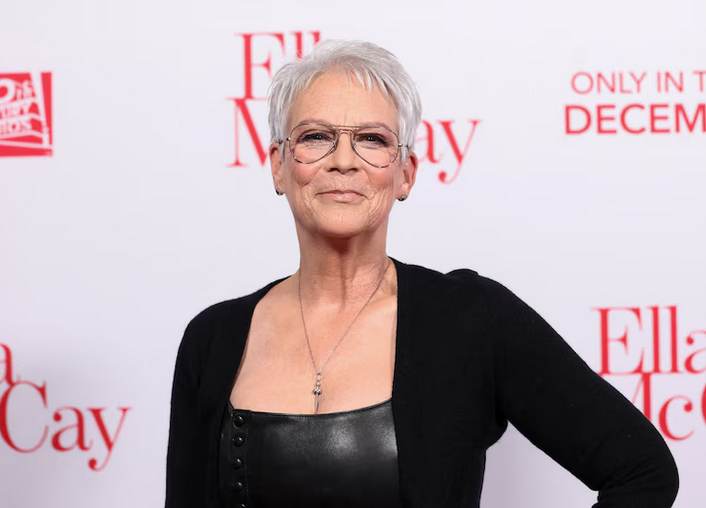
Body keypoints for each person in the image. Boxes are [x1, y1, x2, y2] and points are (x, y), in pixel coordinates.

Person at [165, 39, 679, 508]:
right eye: (316, 136)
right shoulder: (212, 339)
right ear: (279, 164)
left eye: (372, 139)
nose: (343, 160)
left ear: (405, 173)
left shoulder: (471, 320)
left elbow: (643, 472)